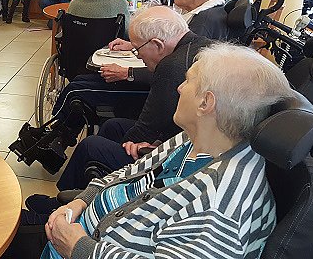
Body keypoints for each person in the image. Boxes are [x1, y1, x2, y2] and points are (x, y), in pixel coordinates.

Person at [39, 44, 289, 259]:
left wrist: (79, 248)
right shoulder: (196, 139)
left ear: (206, 102)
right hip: (81, 225)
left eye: (188, 80)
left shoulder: (217, 210)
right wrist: (83, 200)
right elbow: (131, 172)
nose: (179, 88)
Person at [43, 7, 211, 191]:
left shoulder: (171, 67)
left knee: (91, 146)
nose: (138, 55)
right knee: (112, 126)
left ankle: (65, 201)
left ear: (157, 45)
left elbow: (147, 129)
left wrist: (129, 146)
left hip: (179, 155)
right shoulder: (201, 45)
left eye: (137, 49)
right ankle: (93, 190)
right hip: (183, 138)